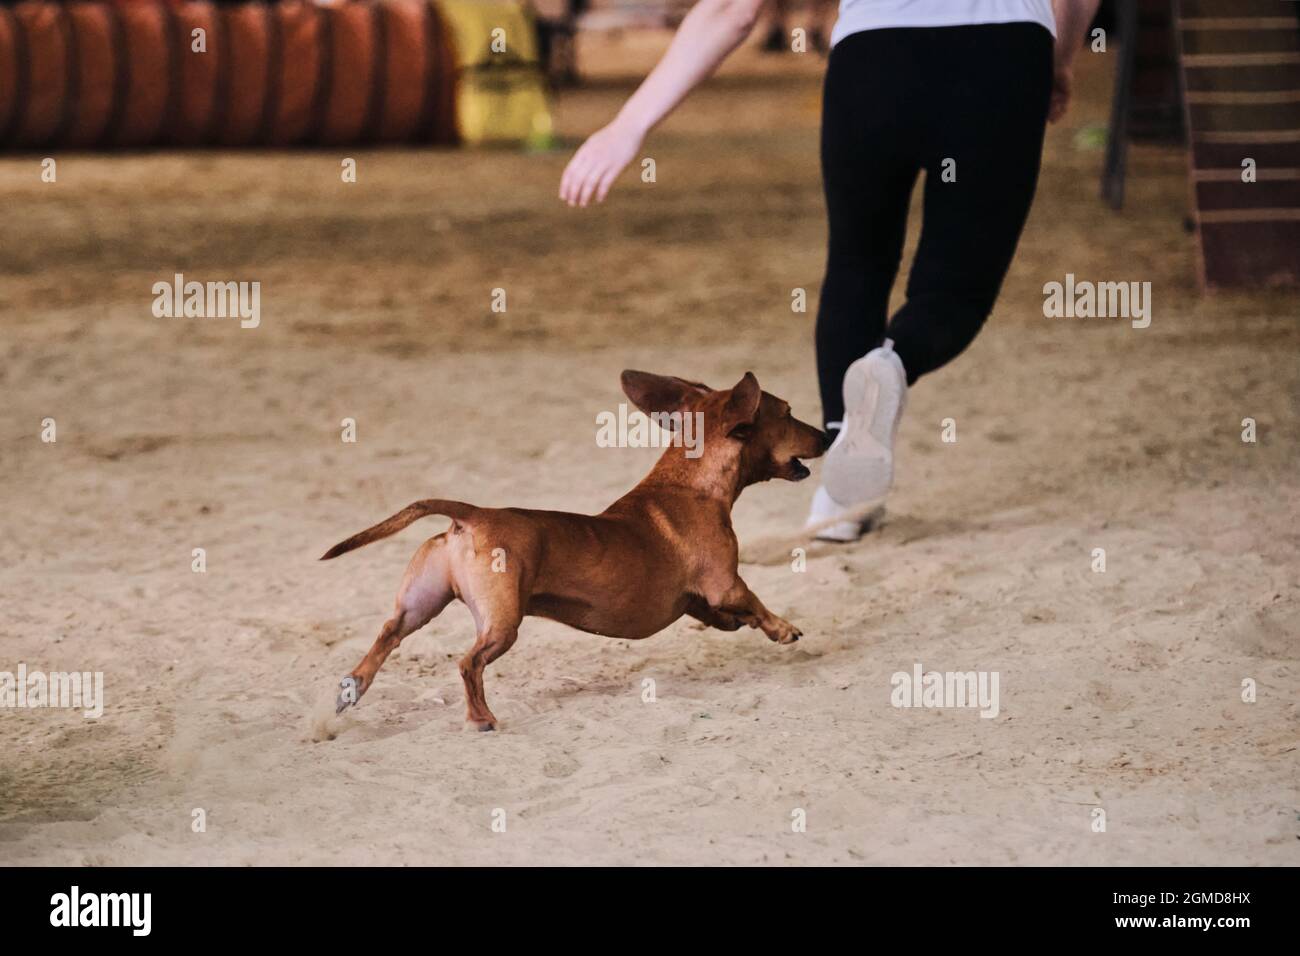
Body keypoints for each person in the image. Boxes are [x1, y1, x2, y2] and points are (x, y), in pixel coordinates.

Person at [560, 0, 1102, 541]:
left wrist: (628, 125)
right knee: (957, 288)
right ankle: (892, 362)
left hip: (874, 54)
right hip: (1004, 52)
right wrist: (1060, 58)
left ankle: (844, 491)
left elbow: (733, 10)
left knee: (857, 264)